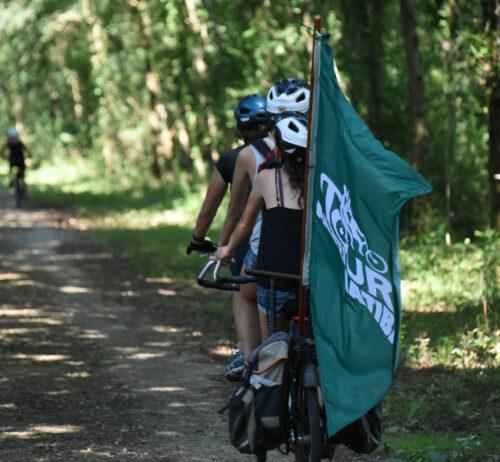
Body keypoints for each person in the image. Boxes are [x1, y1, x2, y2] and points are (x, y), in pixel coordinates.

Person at [217, 78, 310, 360]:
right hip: (313, 268)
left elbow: (239, 217)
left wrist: (225, 248)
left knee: (246, 292)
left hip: (271, 268)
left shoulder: (255, 162)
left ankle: (250, 362)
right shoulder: (324, 163)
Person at [187, 94, 273, 378]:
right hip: (297, 244)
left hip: (250, 243)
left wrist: (202, 240)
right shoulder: (298, 154)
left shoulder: (235, 158)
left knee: (243, 292)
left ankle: (249, 360)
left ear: (240, 129)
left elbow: (212, 209)